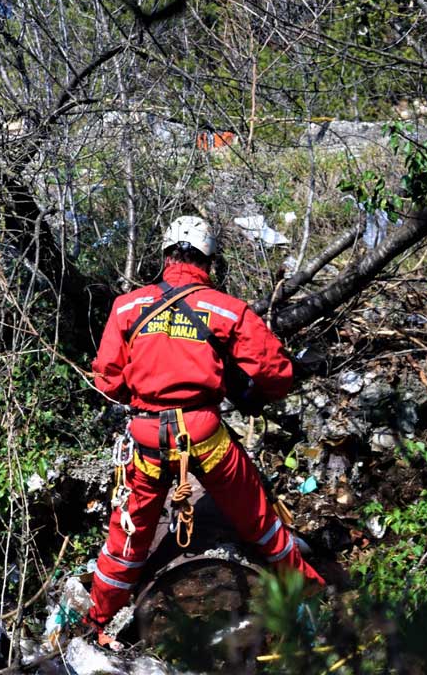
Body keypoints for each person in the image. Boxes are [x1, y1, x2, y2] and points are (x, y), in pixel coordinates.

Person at [85, 215, 324, 648]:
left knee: (128, 537)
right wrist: (251, 391)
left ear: (164, 256)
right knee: (259, 520)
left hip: (147, 439)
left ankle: (95, 623)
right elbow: (275, 373)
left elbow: (107, 378)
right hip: (205, 434)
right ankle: (307, 590)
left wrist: (145, 393)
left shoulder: (126, 307)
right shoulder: (226, 309)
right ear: (210, 260)